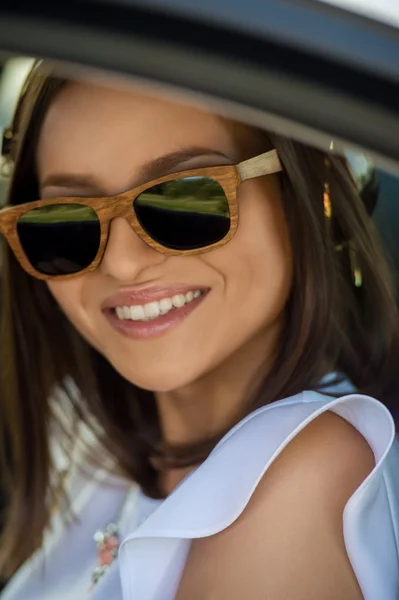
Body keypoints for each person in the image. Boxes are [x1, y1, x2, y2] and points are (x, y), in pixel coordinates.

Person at [0, 60, 398, 600]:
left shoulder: (303, 479)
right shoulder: (82, 425)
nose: (121, 264)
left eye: (185, 200)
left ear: (306, 191)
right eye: (67, 221)